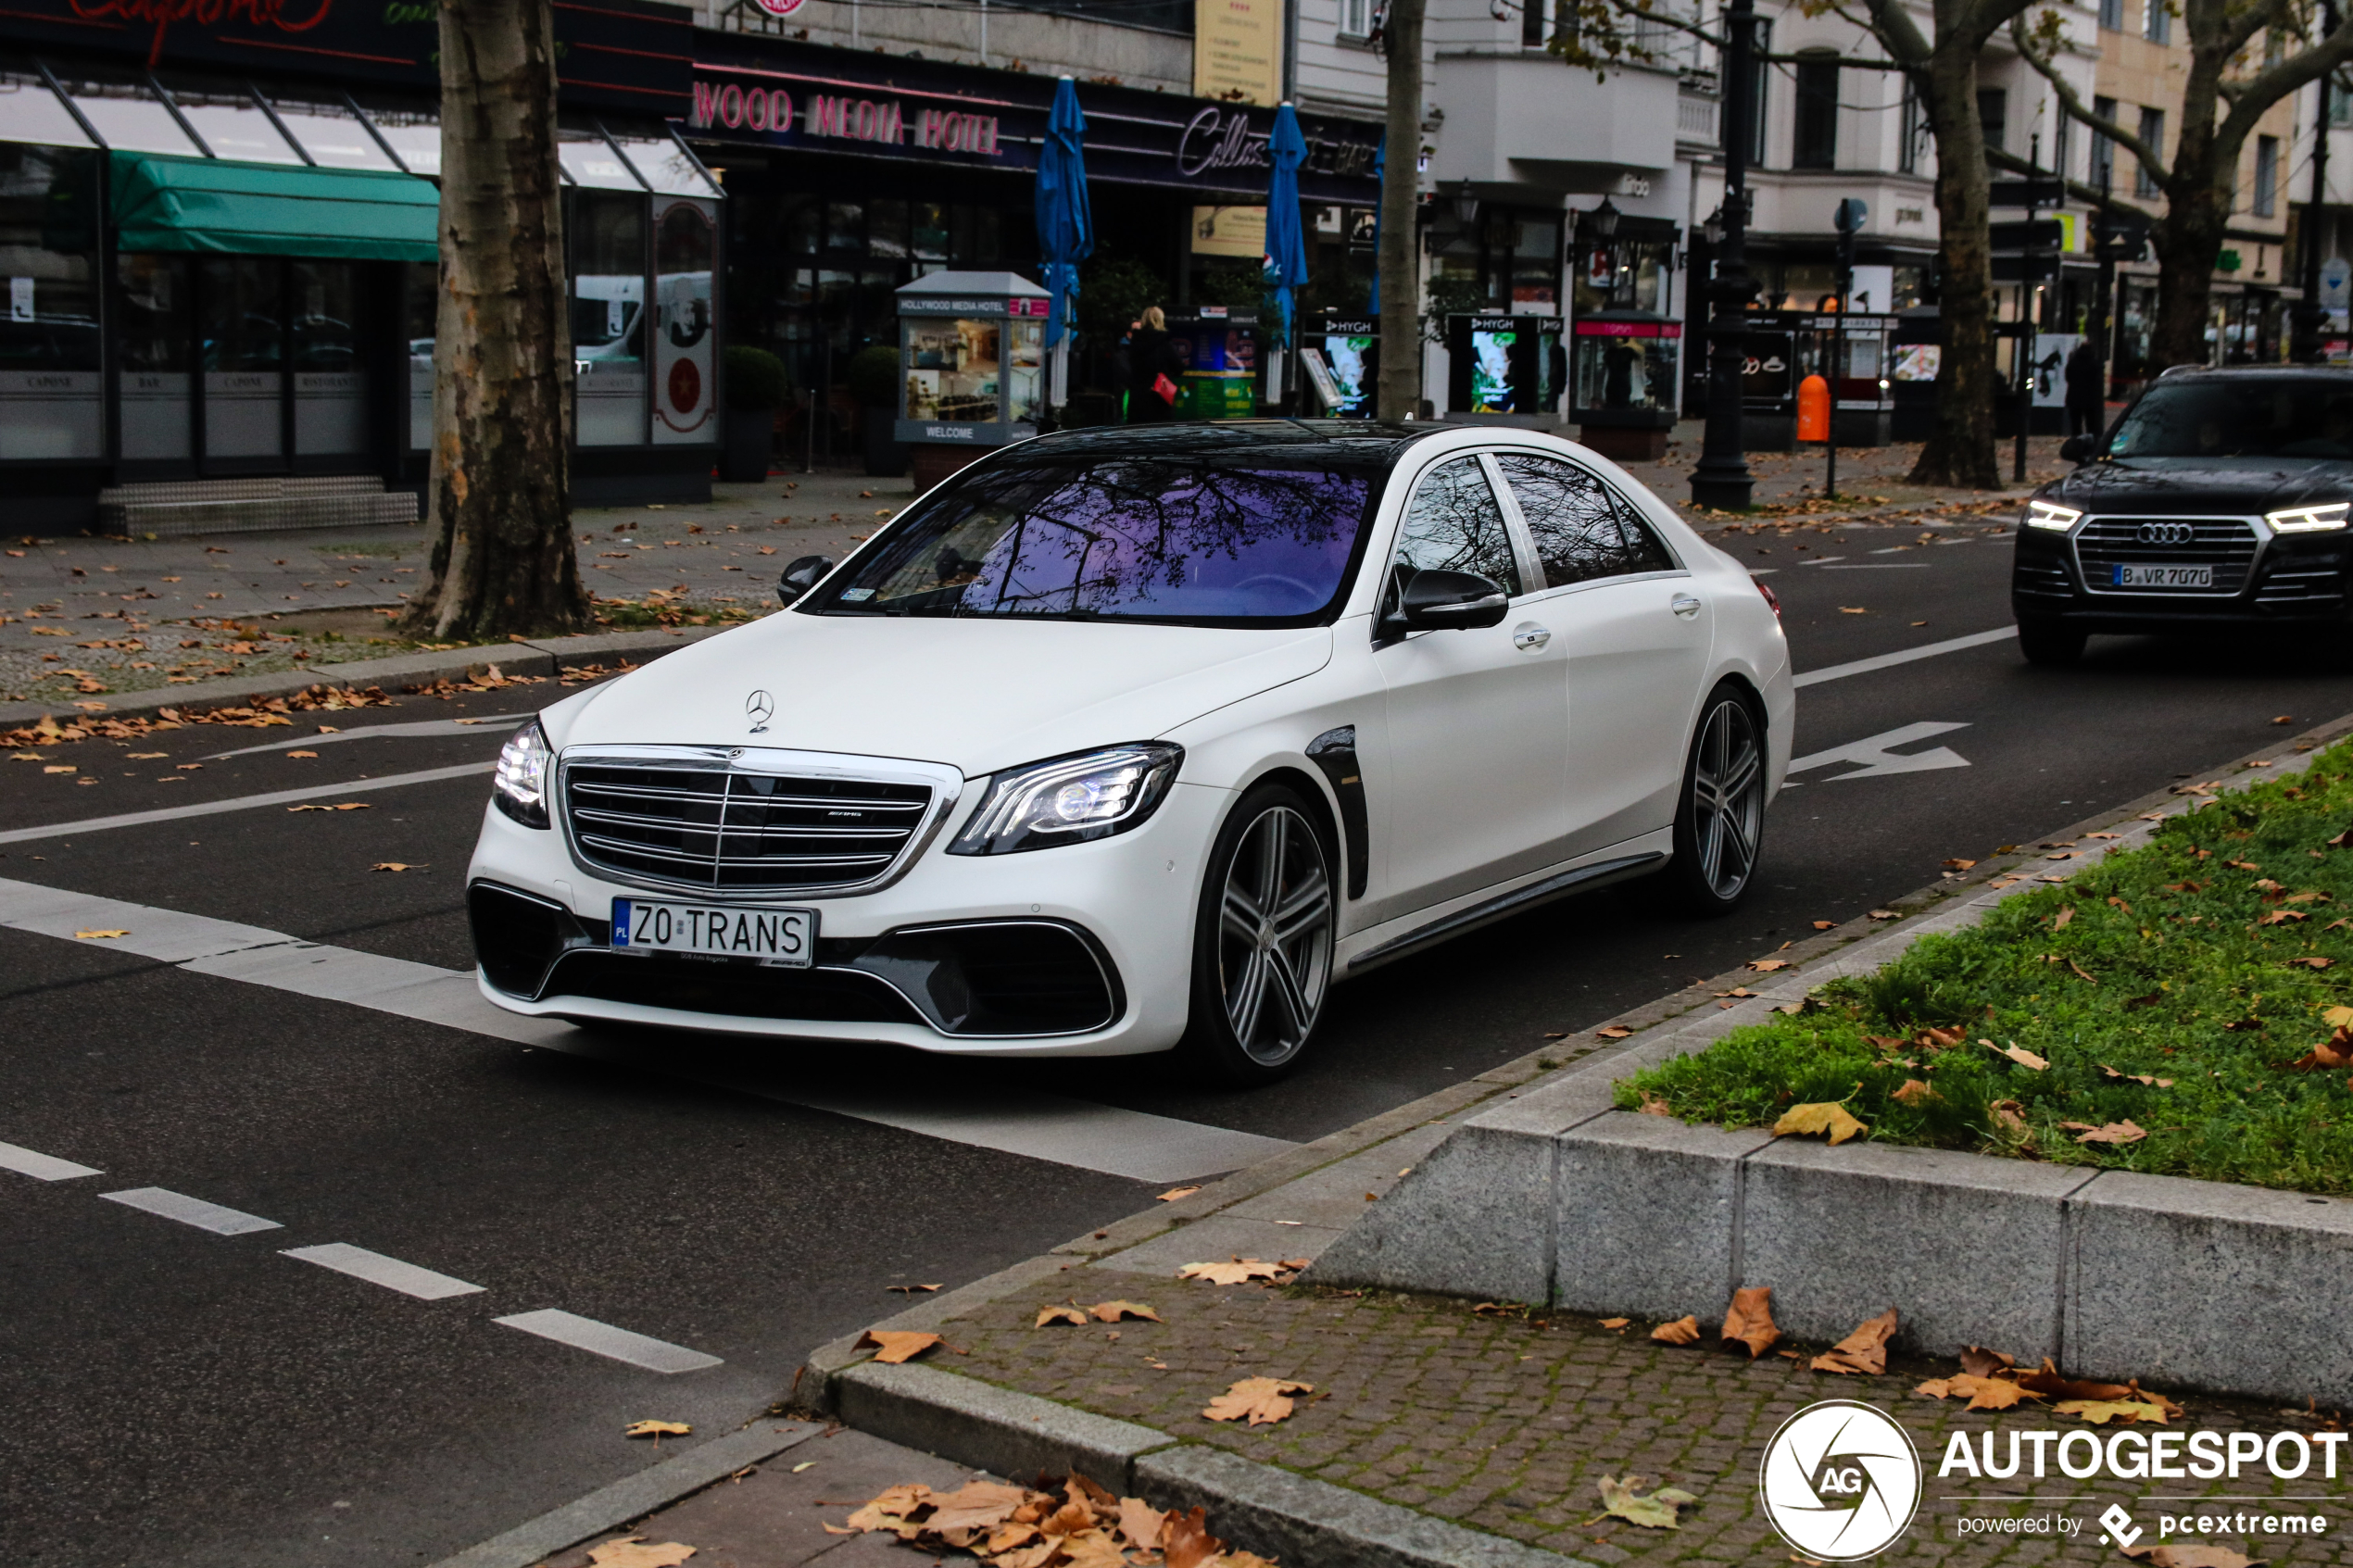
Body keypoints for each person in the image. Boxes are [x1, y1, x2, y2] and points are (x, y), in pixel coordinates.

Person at [1127, 306, 1183, 423]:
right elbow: (1179, 368)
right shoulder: (1164, 343)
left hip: (1137, 400)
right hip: (1160, 400)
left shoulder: (1135, 342)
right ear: (1160, 320)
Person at [2065, 337, 2106, 438]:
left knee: (2075, 427)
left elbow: (2068, 377)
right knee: (2091, 426)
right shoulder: (2094, 363)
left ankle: (2076, 444)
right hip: (2090, 400)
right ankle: (2090, 445)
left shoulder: (2073, 362)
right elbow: (2098, 382)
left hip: (2074, 398)